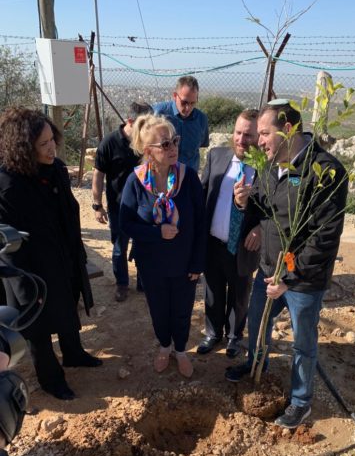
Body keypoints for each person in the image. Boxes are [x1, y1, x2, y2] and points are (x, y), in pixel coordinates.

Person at [225, 100, 348, 429]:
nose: (258, 140)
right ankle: (257, 365)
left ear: (289, 130)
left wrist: (289, 277)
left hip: (302, 279)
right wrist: (243, 204)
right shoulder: (269, 165)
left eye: (264, 133)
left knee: (302, 341)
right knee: (257, 322)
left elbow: (323, 237)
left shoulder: (326, 172)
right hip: (269, 269)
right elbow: (264, 213)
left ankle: (300, 401)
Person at [0, 107, 102, 401]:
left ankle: (74, 353)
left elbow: (66, 212)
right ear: (23, 149)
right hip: (29, 270)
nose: (51, 148)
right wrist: (24, 286)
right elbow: (7, 245)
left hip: (63, 256)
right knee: (38, 327)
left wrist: (76, 254)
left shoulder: (54, 169)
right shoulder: (8, 185)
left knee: (69, 306)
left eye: (52, 140)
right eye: (43, 145)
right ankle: (51, 378)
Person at [120, 114, 206, 378]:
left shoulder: (188, 177)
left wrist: (197, 263)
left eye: (174, 141)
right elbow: (125, 225)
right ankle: (164, 347)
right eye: (165, 144)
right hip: (151, 264)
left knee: (181, 311)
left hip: (183, 263)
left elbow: (201, 223)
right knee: (159, 311)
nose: (173, 148)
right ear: (149, 152)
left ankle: (180, 351)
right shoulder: (135, 181)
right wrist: (157, 233)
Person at [197, 109, 261, 359]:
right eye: (238, 132)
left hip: (243, 246)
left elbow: (274, 210)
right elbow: (202, 196)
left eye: (248, 135)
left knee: (239, 295)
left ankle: (235, 337)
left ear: (258, 137)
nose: (241, 140)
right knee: (212, 291)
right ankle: (213, 333)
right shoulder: (216, 156)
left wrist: (260, 228)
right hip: (213, 242)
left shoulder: (266, 169)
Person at [92, 101, 153, 302]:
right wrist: (97, 204)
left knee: (143, 245)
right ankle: (122, 284)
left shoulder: (147, 142)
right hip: (119, 207)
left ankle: (144, 281)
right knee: (119, 247)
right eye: (144, 125)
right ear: (130, 121)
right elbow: (99, 174)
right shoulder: (109, 143)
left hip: (144, 207)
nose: (148, 129)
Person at [153, 76, 209, 172]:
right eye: (184, 102)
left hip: (189, 178)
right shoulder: (158, 114)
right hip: (162, 177)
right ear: (175, 96)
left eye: (193, 103)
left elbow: (201, 144)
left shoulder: (201, 119)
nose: (188, 108)